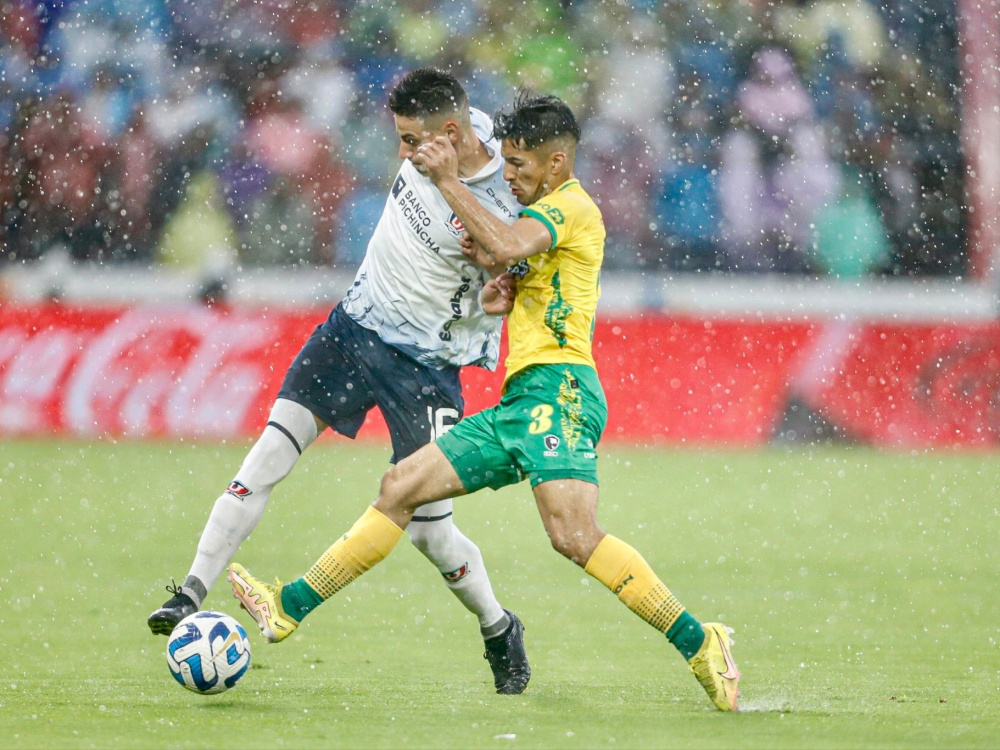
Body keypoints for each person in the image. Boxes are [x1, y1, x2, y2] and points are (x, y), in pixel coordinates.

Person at [227, 92, 742, 711]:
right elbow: (517, 267)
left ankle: (699, 640)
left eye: (520, 166)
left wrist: (449, 181)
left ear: (555, 164)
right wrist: (507, 295)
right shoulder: (543, 214)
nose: (511, 176)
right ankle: (287, 609)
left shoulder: (571, 207)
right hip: (520, 400)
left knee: (574, 536)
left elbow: (505, 242)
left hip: (561, 392)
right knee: (400, 488)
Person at [148, 68, 531, 695]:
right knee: (268, 454)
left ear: (453, 132)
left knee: (431, 532)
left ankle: (497, 626)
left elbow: (515, 261)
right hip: (354, 327)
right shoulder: (468, 129)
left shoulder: (502, 197)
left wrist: (498, 296)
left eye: (413, 141)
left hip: (427, 367)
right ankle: (188, 592)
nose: (403, 153)